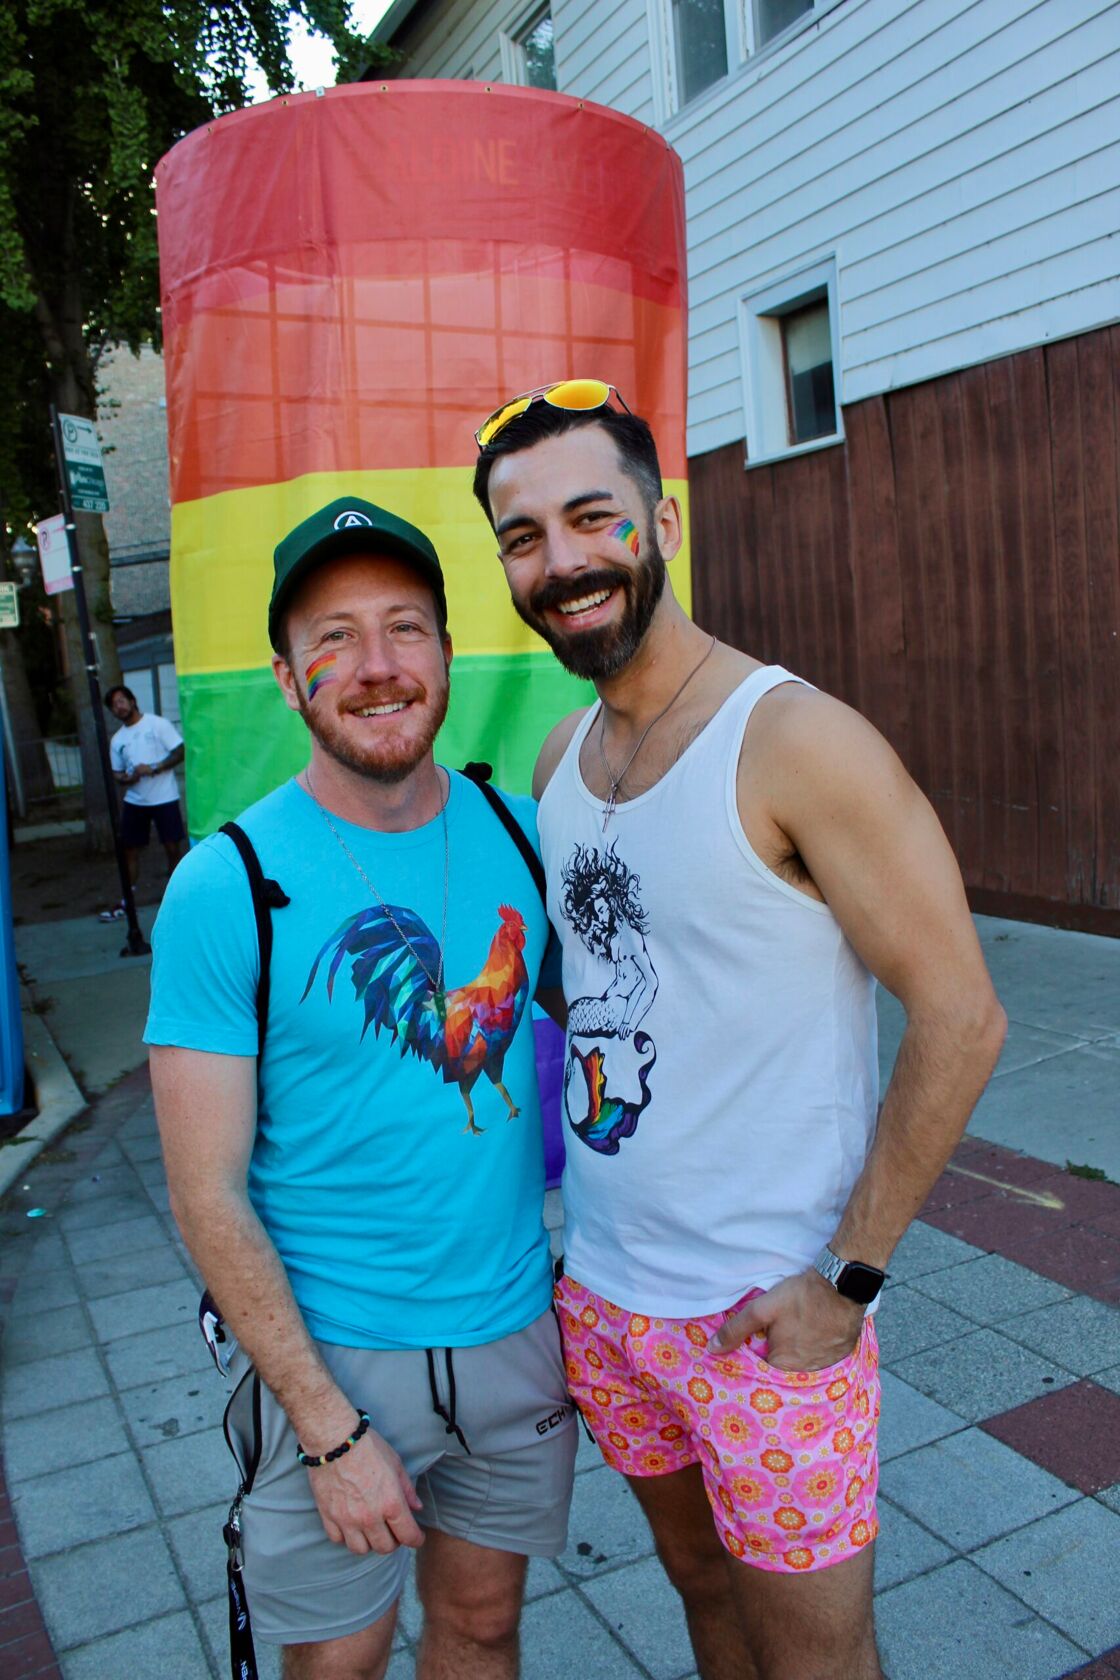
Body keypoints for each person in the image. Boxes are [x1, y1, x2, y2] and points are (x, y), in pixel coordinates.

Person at [472, 381, 1007, 1680]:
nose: (561, 561)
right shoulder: (556, 764)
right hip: (605, 1303)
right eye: (524, 537)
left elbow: (963, 1016)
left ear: (660, 520)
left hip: (771, 1325)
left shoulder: (795, 743)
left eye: (591, 517)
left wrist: (849, 1281)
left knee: (817, 1662)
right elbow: (602, 988)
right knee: (701, 1595)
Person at [145, 497, 576, 1680]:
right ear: (287, 677)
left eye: (405, 629)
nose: (375, 666)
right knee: (338, 1663)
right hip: (332, 1356)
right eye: (334, 637)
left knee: (485, 1628)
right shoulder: (220, 886)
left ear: (445, 654)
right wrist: (328, 1431)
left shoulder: (524, 831)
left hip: (512, 1330)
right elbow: (206, 1197)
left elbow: (626, 1020)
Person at [101, 684, 186, 916]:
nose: (118, 707)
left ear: (132, 700)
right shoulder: (118, 740)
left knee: (171, 847)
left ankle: (178, 897)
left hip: (164, 797)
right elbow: (118, 775)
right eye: (113, 705)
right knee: (130, 849)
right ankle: (127, 898)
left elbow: (180, 751)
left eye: (121, 701)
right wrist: (127, 778)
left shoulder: (157, 724)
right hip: (136, 801)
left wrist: (154, 767)